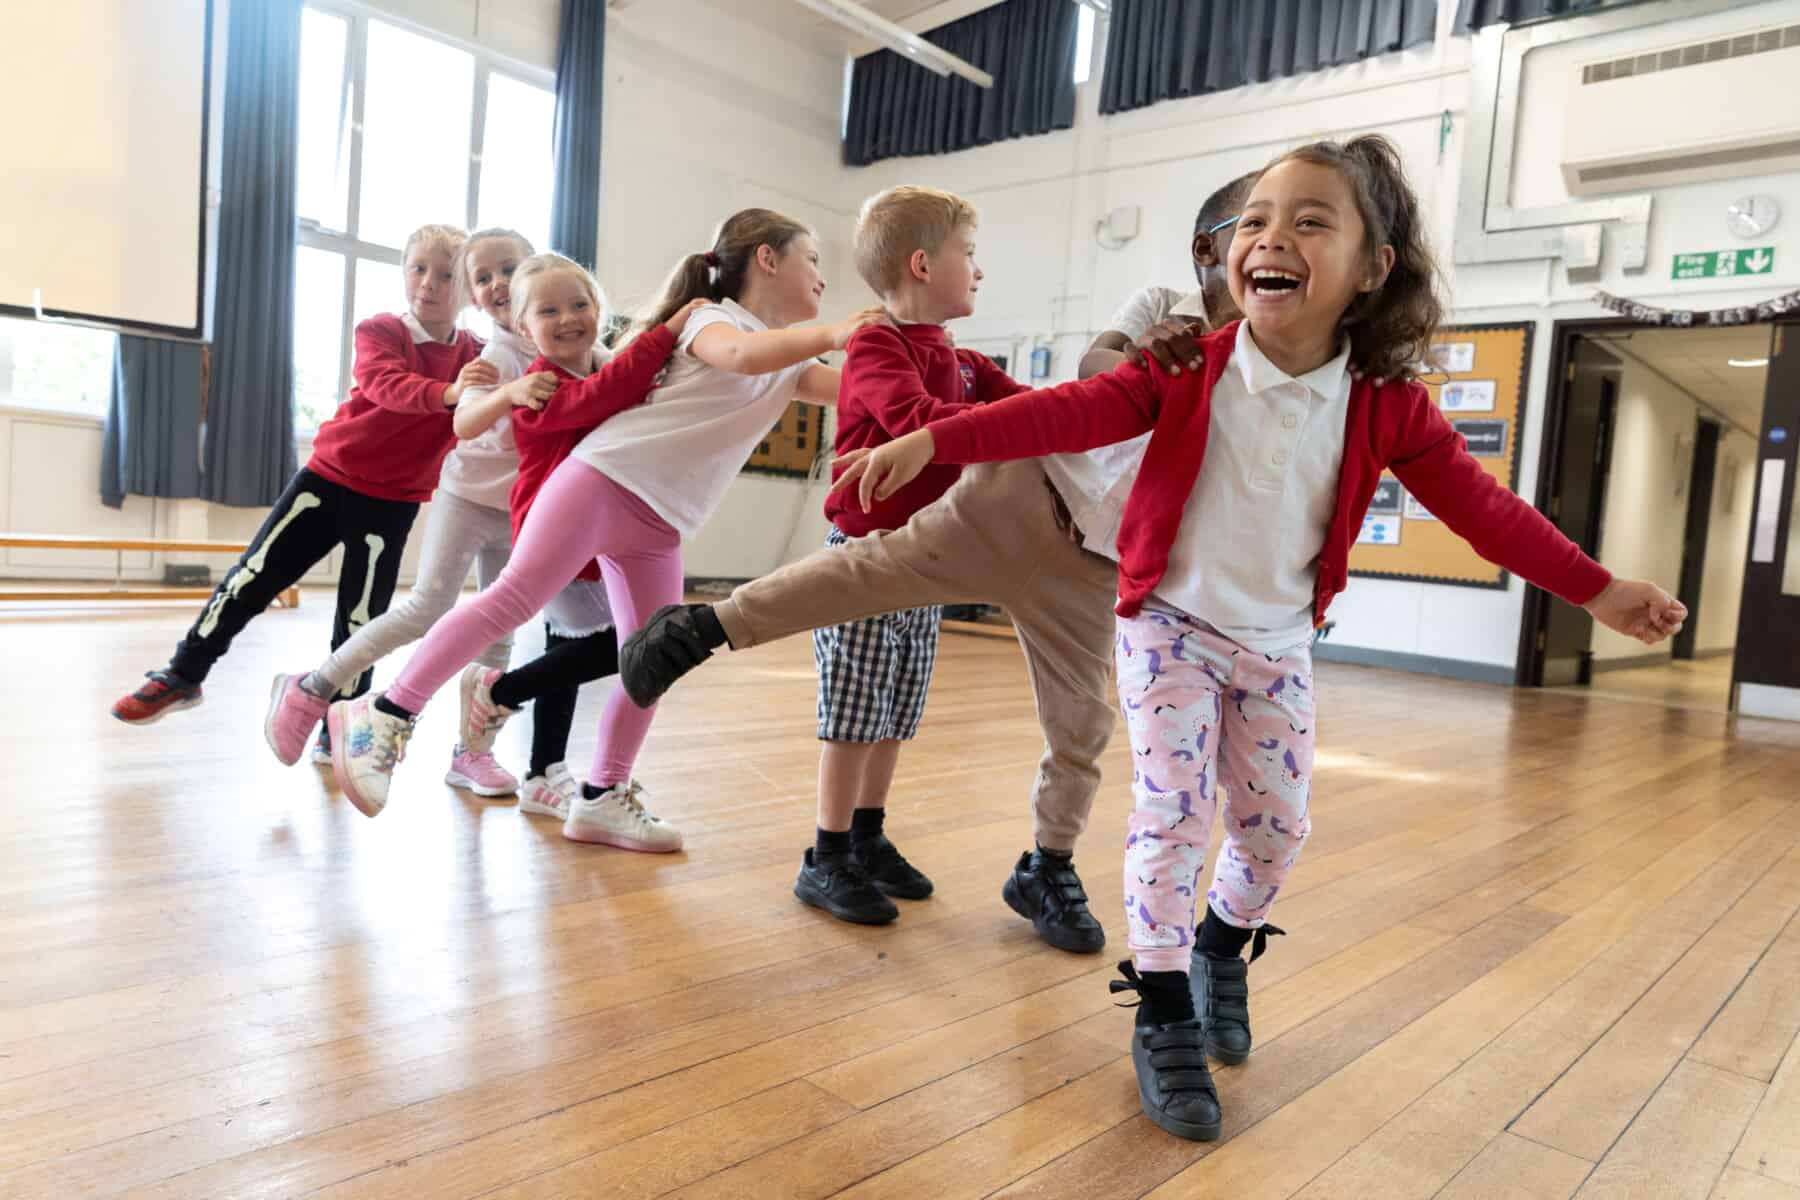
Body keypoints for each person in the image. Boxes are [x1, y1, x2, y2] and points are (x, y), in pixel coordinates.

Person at [827, 135, 1688, 1142]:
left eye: (1310, 220)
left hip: (1278, 644)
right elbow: (1064, 414)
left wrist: (1597, 590)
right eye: (1256, 221)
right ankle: (1160, 1011)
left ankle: (1222, 946)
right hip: (1167, 632)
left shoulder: (1387, 402)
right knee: (1174, 815)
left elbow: (1482, 510)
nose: (1270, 238)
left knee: (1276, 833)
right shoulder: (1185, 366)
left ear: (1373, 270)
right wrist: (938, 435)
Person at [617, 176, 1258, 957]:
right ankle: (702, 634)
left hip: (1092, 556)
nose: (1281, 242)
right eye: (1259, 222)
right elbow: (1085, 378)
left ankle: (1040, 865)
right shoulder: (1158, 307)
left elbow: (1037, 405)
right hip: (1007, 504)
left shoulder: (1271, 367)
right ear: (1210, 249)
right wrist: (1129, 360)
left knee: (1079, 721)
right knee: (858, 595)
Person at [327, 215, 882, 852]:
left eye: (580, 305)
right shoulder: (711, 321)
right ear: (768, 261)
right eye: (813, 258)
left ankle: (601, 797)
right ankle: (385, 714)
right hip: (604, 480)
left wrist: (935, 388)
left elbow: (850, 391)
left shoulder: (786, 358)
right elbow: (738, 355)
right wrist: (840, 330)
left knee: (651, 657)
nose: (822, 274)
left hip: (661, 520)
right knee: (513, 599)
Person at [111, 225, 489, 733]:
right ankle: (183, 674)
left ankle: (338, 722)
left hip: (392, 502)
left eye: (446, 276)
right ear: (404, 270)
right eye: (418, 268)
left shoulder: (479, 356)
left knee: (361, 619)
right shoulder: (380, 330)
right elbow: (386, 386)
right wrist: (450, 393)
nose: (429, 284)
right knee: (251, 580)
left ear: (469, 288)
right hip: (328, 482)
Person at [796, 186, 1025, 926]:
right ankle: (826, 857)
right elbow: (915, 421)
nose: (979, 271)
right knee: (854, 713)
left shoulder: (960, 359)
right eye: (970, 254)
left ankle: (868, 837)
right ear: (924, 264)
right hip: (867, 558)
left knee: (895, 712)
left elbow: (1030, 407)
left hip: (928, 562)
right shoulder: (876, 345)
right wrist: (1002, 424)